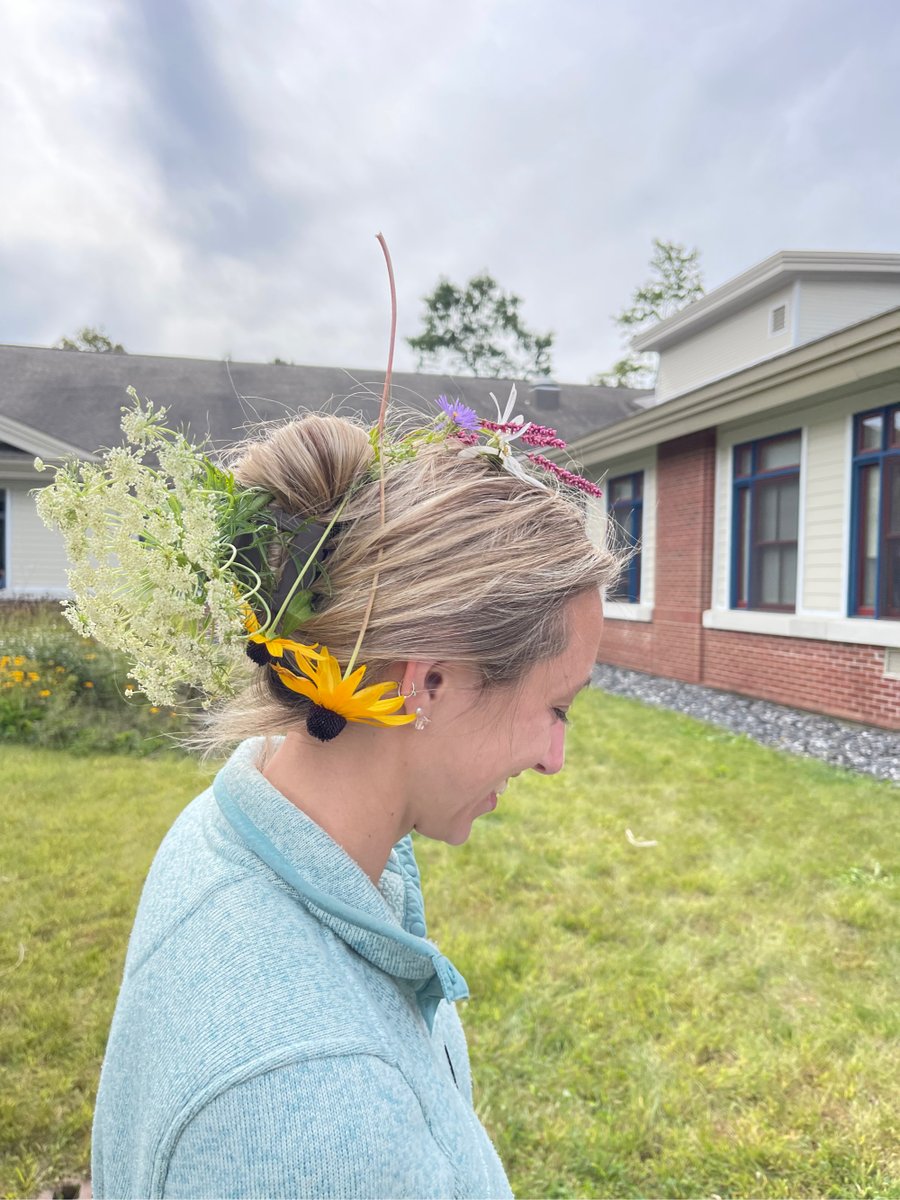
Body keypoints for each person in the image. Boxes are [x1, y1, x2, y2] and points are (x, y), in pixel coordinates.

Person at [66, 393, 615, 1198]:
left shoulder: (234, 821)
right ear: (429, 680)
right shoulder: (317, 1118)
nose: (556, 759)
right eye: (556, 707)